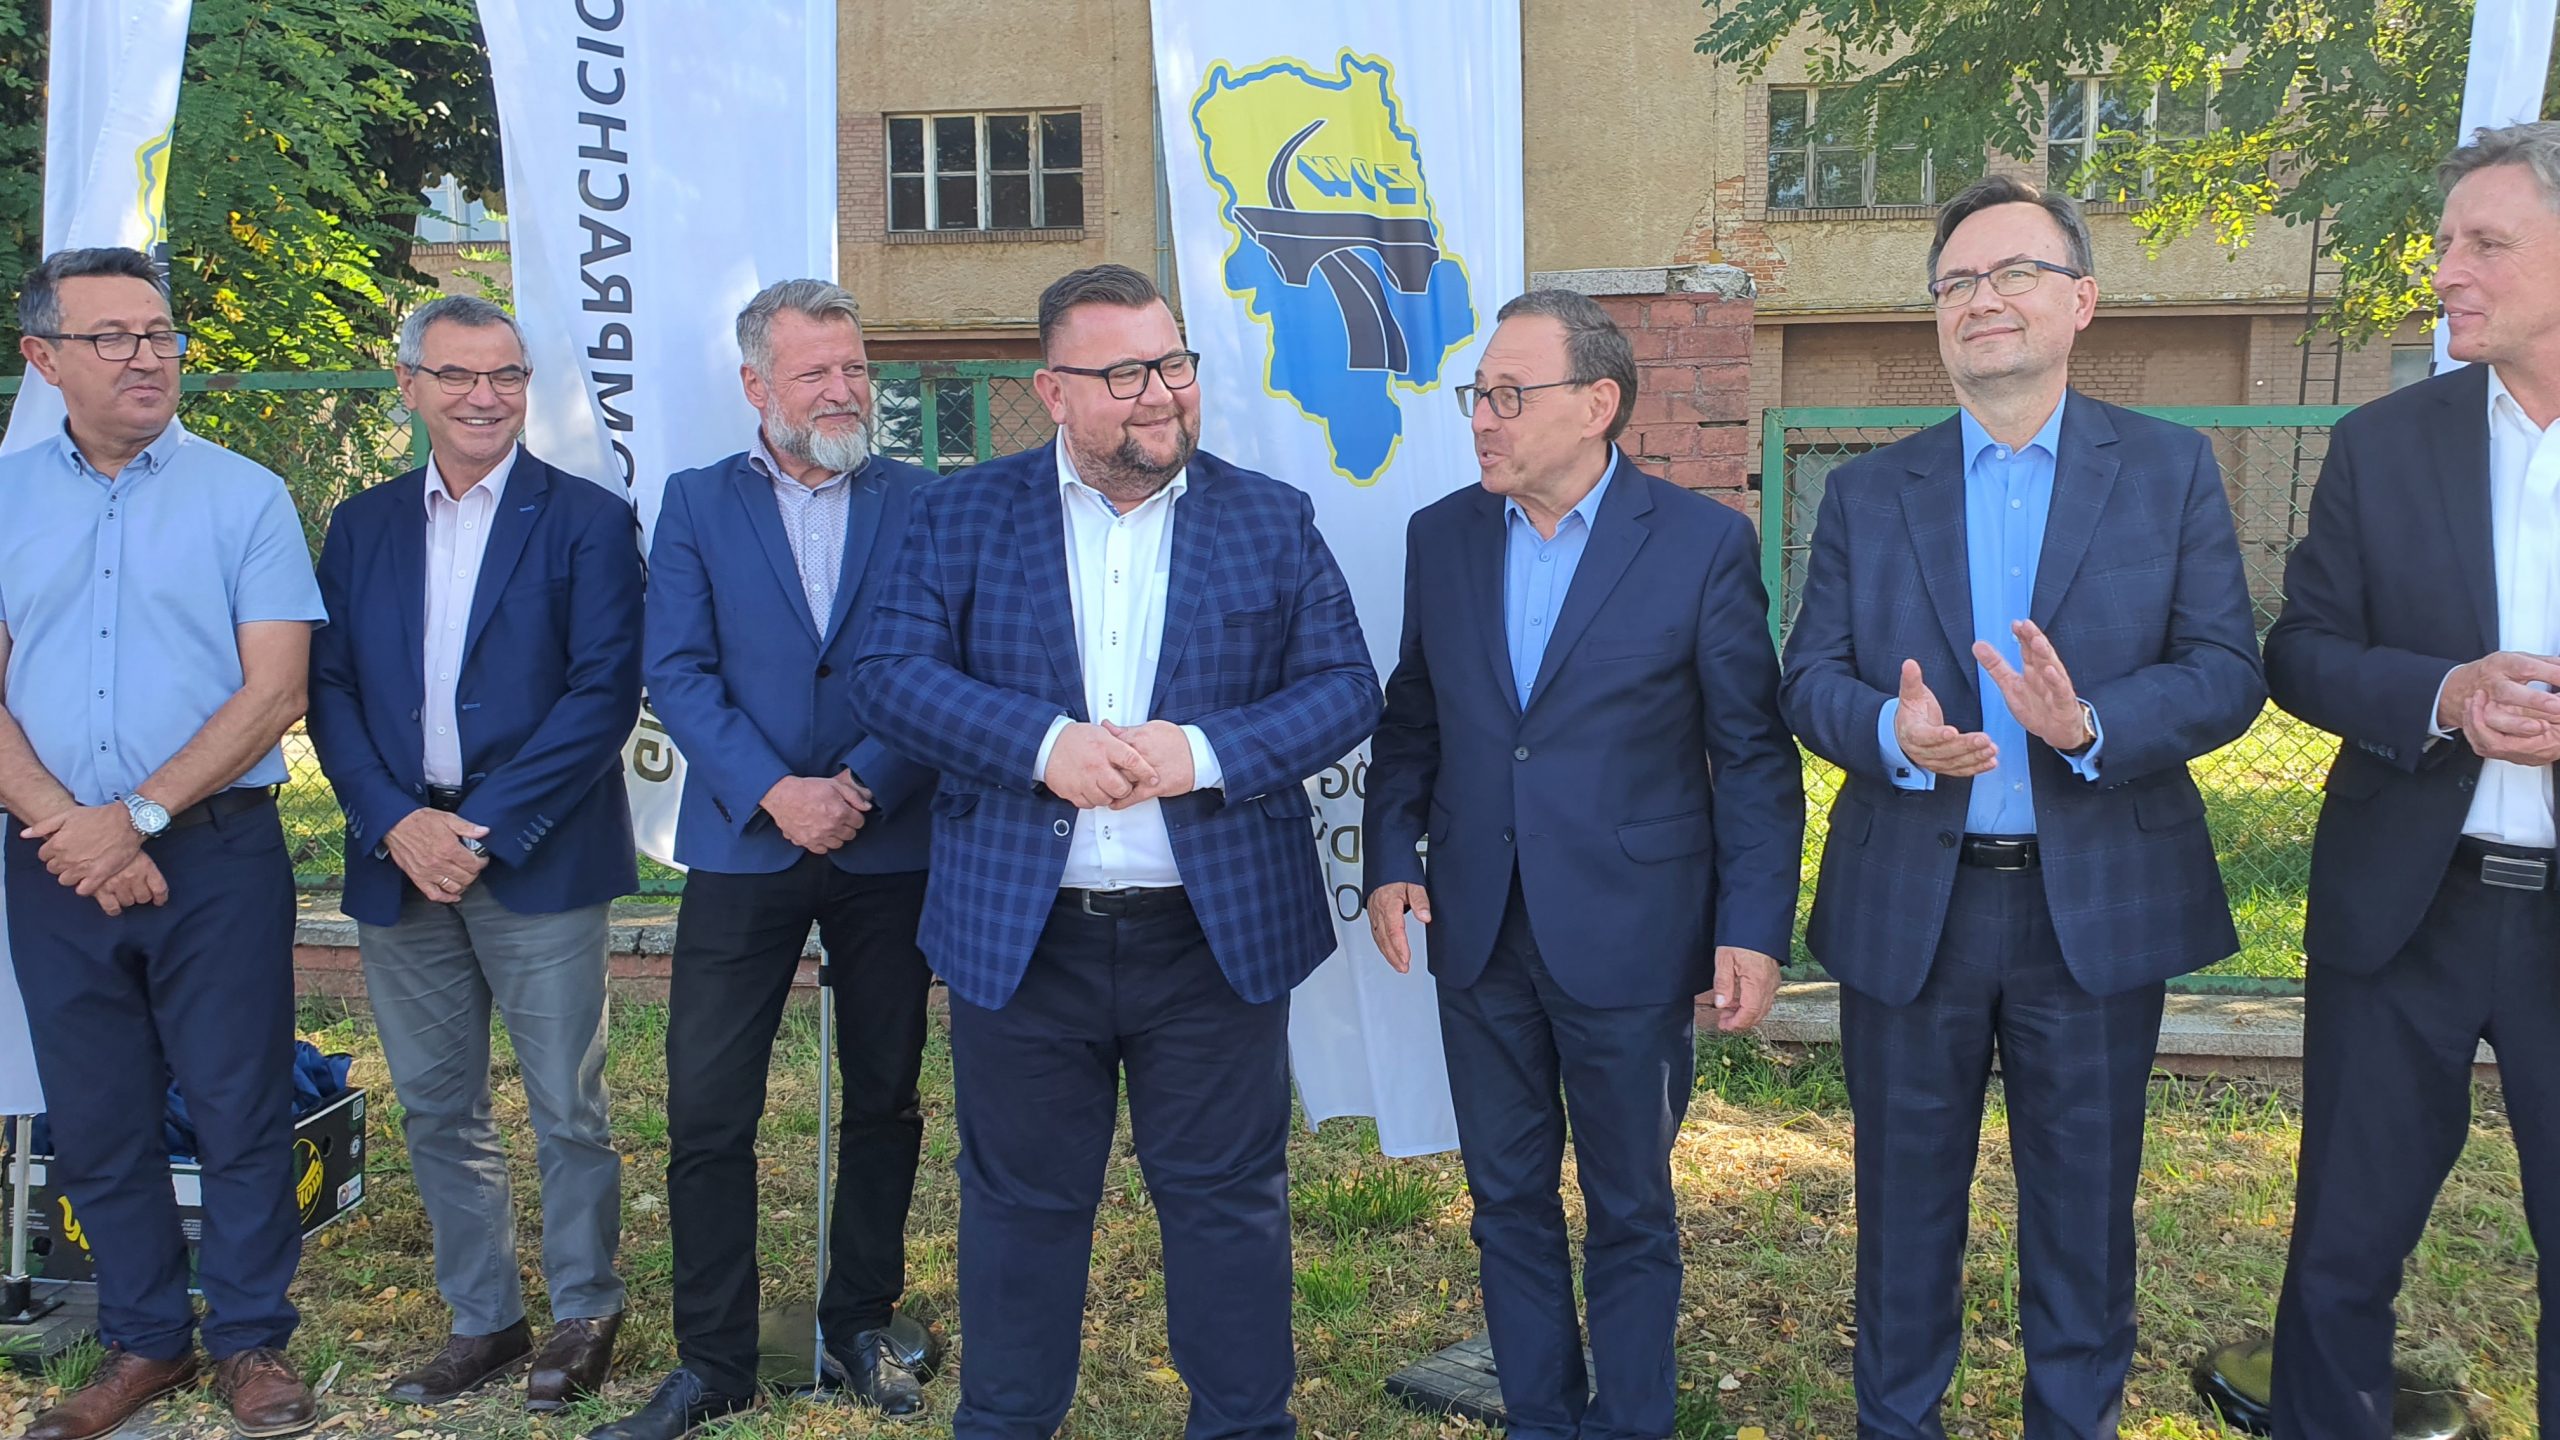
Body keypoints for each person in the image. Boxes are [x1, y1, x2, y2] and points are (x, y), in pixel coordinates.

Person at [853, 263, 1379, 1440]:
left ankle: (1243, 1426)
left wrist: (1204, 752)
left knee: (1228, 1207)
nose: (1162, 393)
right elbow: (888, 676)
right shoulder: (960, 514)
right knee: (1018, 1211)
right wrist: (1042, 746)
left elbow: (1346, 687)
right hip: (1023, 937)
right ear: (1053, 391)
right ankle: (1005, 1423)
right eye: (1127, 372)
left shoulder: (1268, 517)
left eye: (1175, 363)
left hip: (1212, 937)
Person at [1777, 176, 2264, 1439]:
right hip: (1912, 906)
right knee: (1901, 1218)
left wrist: (2088, 724)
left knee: (2083, 1222)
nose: (1980, 299)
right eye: (1955, 282)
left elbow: (2227, 671)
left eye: (2012, 274)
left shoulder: (2166, 469)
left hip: (2090, 911)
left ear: (2080, 300)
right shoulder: (1868, 491)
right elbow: (1807, 678)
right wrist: (1889, 734)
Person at [1363, 289, 1804, 1440]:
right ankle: (1541, 1417)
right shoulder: (1443, 538)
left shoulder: (1699, 544)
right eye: (1477, 396)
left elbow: (1751, 755)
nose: (1482, 419)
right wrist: (1390, 853)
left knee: (1629, 1208)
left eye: (1510, 396)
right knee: (1505, 1199)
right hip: (1480, 928)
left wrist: (1751, 926)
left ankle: (1631, 1421)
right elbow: (1413, 720)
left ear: (1597, 403)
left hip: (1632, 932)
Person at [593, 279, 939, 1440]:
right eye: (815, 372)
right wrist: (777, 792)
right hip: (746, 842)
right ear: (756, 385)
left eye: (855, 368)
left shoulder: (921, 500)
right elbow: (678, 668)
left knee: (884, 1094)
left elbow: (946, 657)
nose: (843, 391)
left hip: (889, 840)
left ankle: (861, 1321)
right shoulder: (696, 502)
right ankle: (714, 1360)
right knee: (707, 1108)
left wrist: (862, 784)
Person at [2261, 120, 2560, 1440]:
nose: (2446, 271)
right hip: (2403, 913)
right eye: (2445, 242)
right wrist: (2443, 696)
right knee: (2340, 1254)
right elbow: (2300, 652)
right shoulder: (2381, 444)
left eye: (2485, 243)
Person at [0, 246, 325, 1438]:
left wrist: (131, 819)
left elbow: (274, 689)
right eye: (112, 337)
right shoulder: (3, 496)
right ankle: (143, 1342)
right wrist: (70, 828)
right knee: (97, 1116)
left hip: (216, 853)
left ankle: (249, 1341)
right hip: (52, 862)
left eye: (159, 334)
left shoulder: (246, 496)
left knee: (239, 1103)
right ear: (44, 358)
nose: (147, 356)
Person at [305, 295, 641, 1412]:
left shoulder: (587, 520)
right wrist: (397, 823)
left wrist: (481, 829)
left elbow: (603, 695)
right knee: (438, 1105)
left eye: (504, 375)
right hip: (399, 854)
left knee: (567, 1105)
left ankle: (585, 1309)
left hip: (535, 854)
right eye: (455, 375)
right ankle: (484, 1320)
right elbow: (330, 688)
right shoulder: (361, 525)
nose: (483, 396)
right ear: (409, 386)